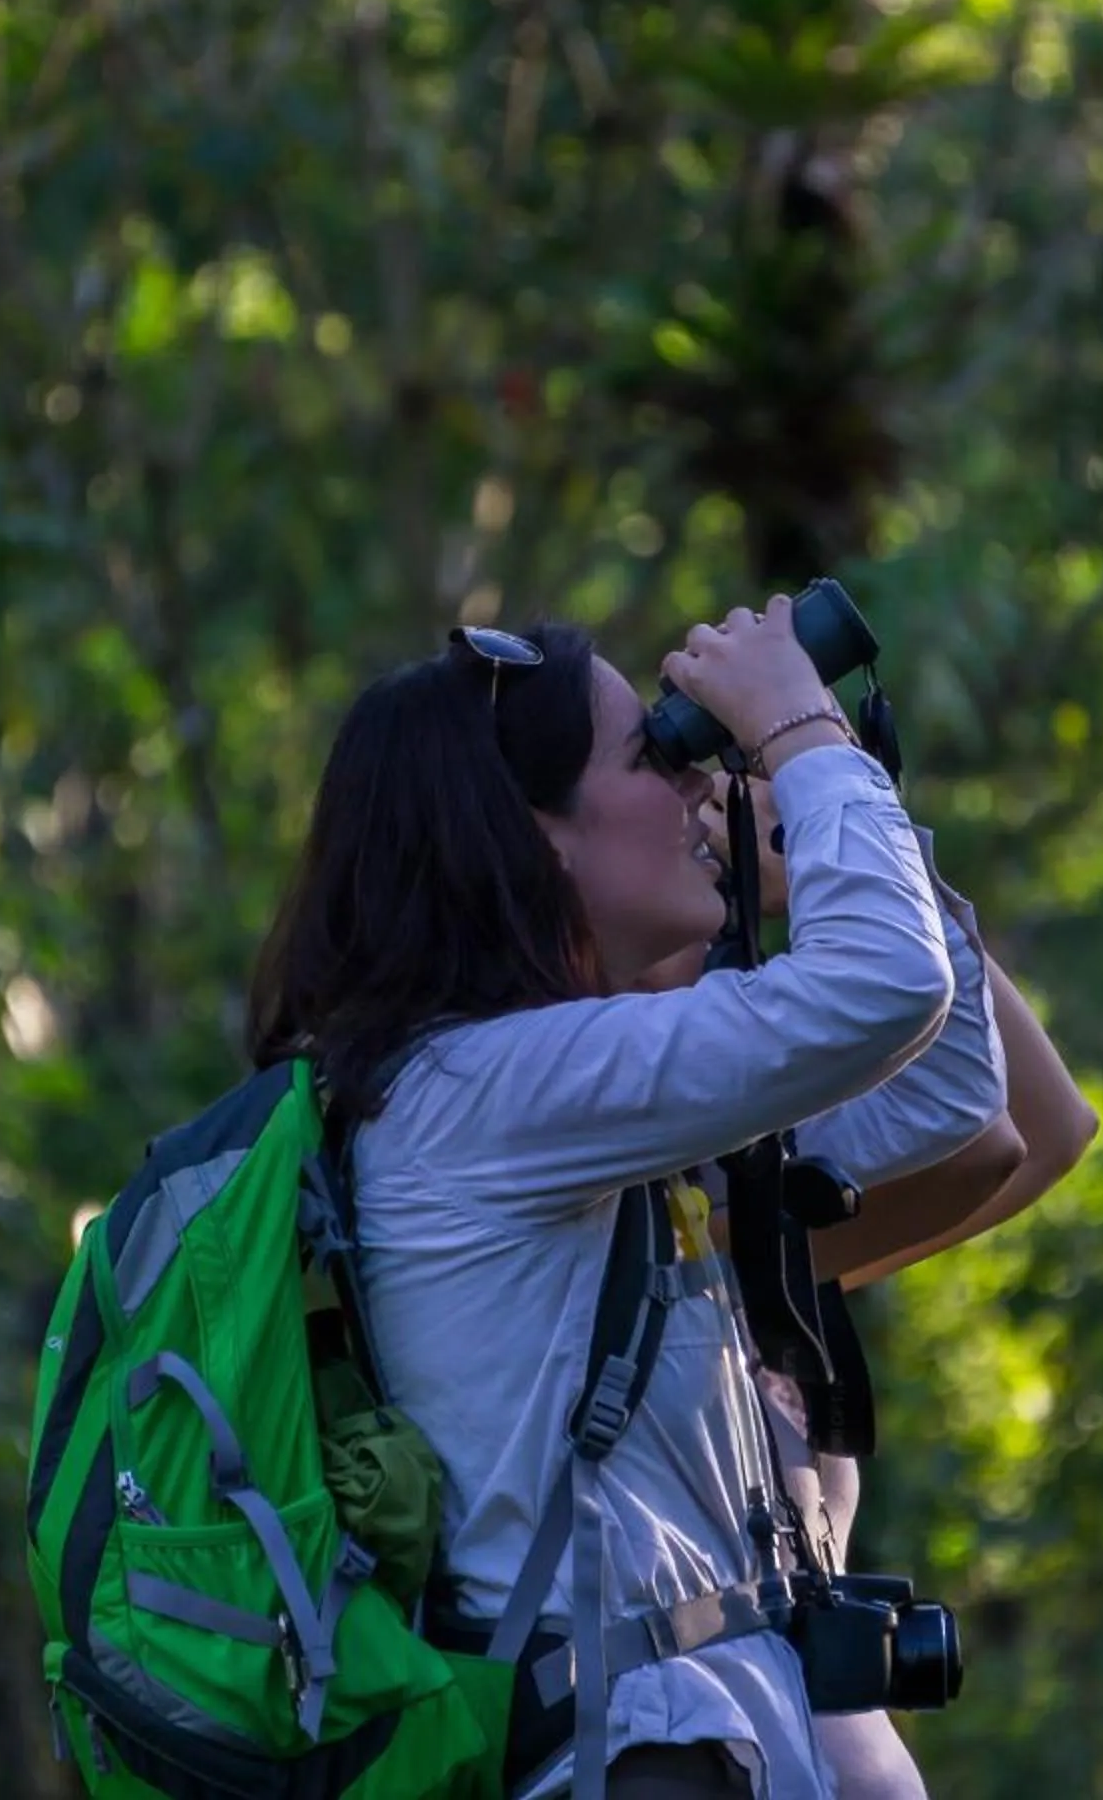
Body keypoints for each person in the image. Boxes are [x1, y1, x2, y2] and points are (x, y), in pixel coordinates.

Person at [247, 600, 1007, 1800]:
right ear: (536, 834)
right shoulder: (482, 1090)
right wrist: (800, 730)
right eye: (656, 757)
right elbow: (885, 985)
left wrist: (826, 796)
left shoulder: (562, 1101)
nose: (700, 785)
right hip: (629, 1755)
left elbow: (948, 1083)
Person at [637, 777, 1100, 1800]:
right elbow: (998, 1136)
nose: (708, 847)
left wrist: (844, 822)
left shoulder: (742, 1195)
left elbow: (1046, 1130)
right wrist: (833, 824)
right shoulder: (645, 1219)